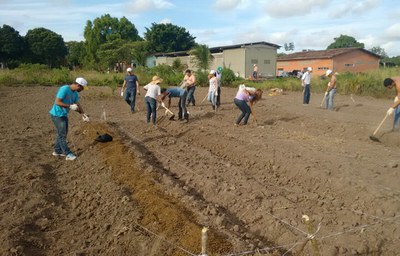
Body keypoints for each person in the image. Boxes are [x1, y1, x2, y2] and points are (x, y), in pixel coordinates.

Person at [49, 77, 90, 161]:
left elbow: (78, 105)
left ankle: (57, 151)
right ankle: (67, 154)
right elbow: (57, 102)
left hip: (63, 115)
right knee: (62, 135)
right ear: (78, 85)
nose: (82, 90)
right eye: (82, 88)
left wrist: (83, 115)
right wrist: (70, 106)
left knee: (62, 133)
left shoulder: (75, 93)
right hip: (57, 115)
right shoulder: (64, 89)